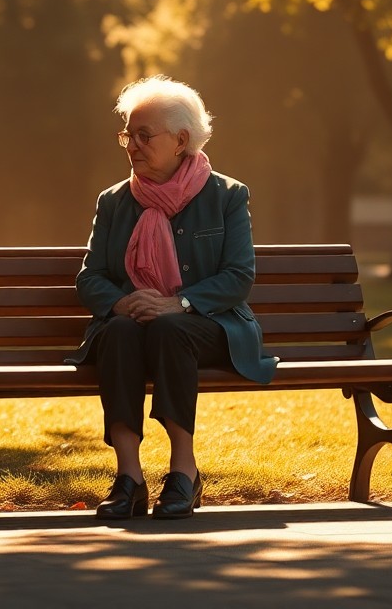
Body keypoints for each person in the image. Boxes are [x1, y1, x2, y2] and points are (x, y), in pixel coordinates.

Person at [71, 75, 277, 520]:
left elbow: (238, 277)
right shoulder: (114, 202)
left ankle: (184, 471)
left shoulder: (226, 195)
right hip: (133, 323)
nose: (133, 145)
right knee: (121, 332)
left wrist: (179, 303)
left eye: (145, 135)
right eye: (128, 133)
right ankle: (130, 479)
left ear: (182, 140)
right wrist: (121, 303)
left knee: (169, 327)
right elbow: (91, 278)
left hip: (209, 325)